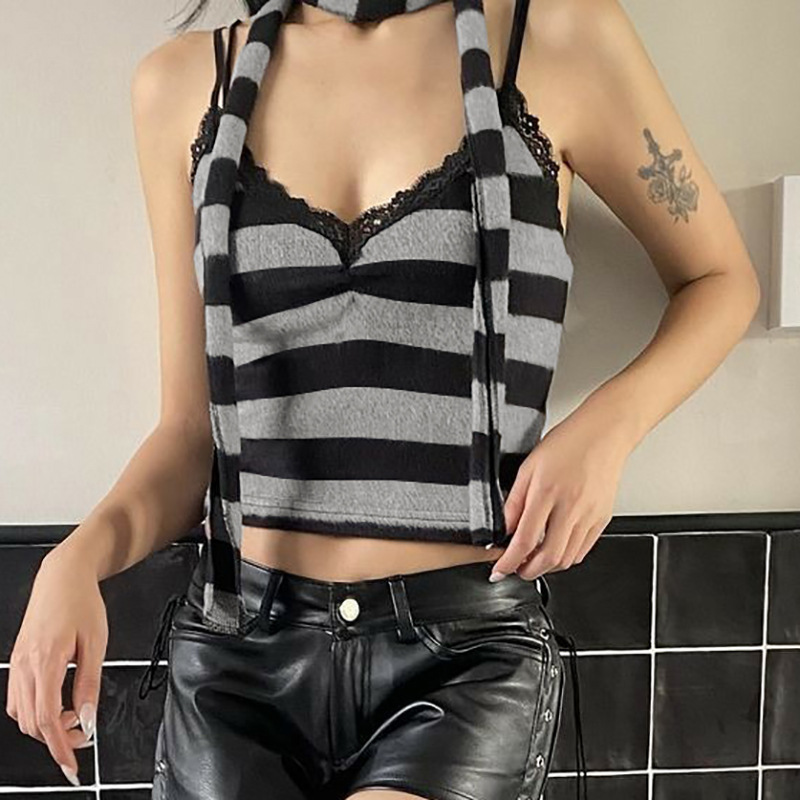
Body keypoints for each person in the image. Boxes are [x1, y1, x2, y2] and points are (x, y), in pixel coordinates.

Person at [6, 0, 760, 798]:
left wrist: (609, 430)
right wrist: (75, 558)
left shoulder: (555, 37)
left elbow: (721, 280)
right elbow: (193, 434)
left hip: (462, 656)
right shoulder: (185, 86)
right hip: (237, 657)